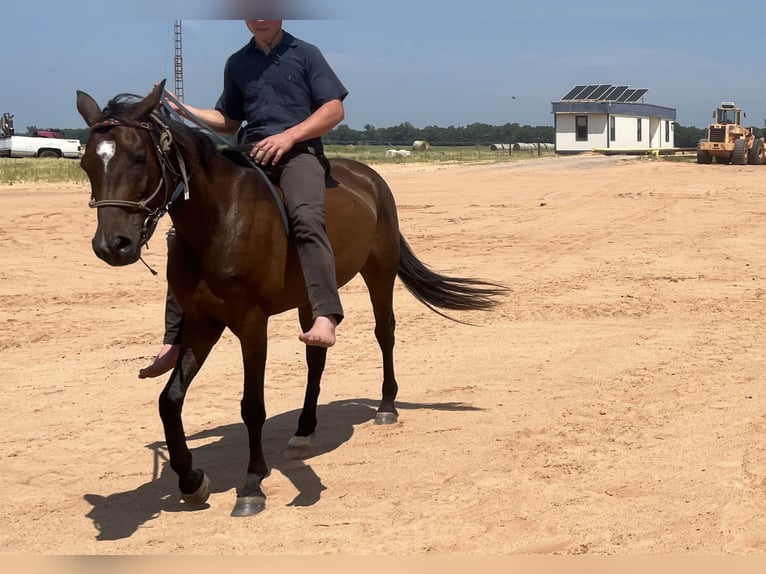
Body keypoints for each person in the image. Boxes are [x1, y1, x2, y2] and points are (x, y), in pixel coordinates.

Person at [139, 19, 347, 379]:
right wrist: (181, 109)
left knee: (305, 218)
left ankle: (325, 314)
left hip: (299, 153)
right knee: (187, 230)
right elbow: (228, 121)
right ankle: (174, 338)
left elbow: (333, 110)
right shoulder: (238, 62)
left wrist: (289, 137)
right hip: (250, 153)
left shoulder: (306, 54)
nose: (260, 17)